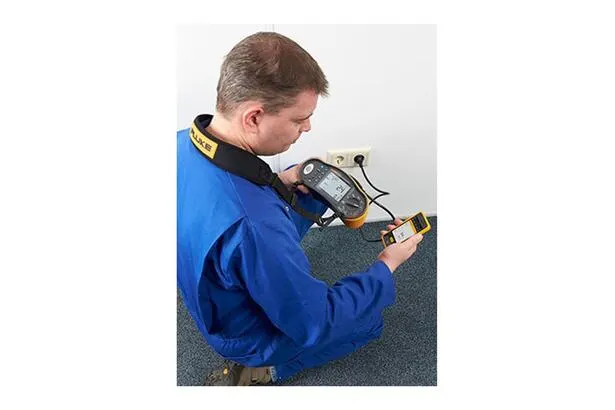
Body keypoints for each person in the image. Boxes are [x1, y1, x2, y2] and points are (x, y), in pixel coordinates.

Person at [177, 32, 424, 386]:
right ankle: (264, 371)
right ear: (253, 117)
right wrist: (388, 263)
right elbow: (317, 322)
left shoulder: (181, 143)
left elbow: (229, 200)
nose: (307, 127)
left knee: (308, 194)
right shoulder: (255, 226)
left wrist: (279, 181)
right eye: (298, 119)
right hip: (244, 336)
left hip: (208, 286)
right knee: (368, 321)